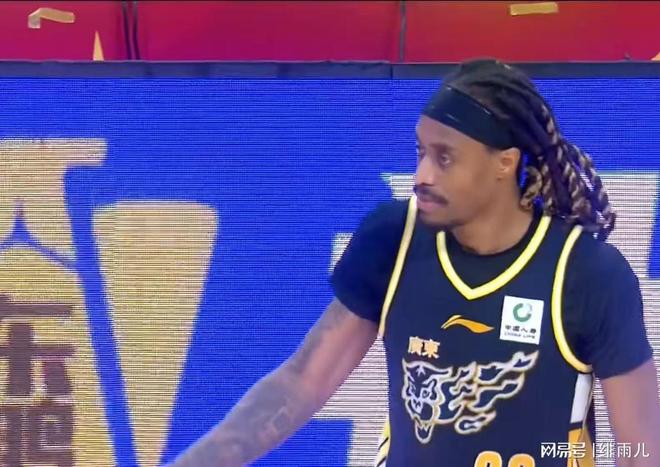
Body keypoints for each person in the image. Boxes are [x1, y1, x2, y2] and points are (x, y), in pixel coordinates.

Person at [166, 59, 659, 466]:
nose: (421, 174)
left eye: (445, 158)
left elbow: (642, 450)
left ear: (504, 163)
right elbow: (301, 382)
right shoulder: (393, 238)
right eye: (420, 151)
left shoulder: (588, 274)